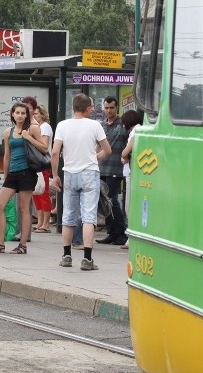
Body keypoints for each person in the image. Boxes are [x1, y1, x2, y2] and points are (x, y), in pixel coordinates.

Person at [51, 93, 111, 271]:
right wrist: (95, 157)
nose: (93, 109)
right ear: (87, 108)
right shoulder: (95, 125)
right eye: (92, 107)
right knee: (88, 216)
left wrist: (55, 175)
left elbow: (55, 153)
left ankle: (66, 256)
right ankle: (87, 258)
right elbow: (107, 150)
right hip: (89, 173)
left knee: (68, 216)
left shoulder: (62, 125)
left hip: (69, 173)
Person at [0, 101, 46, 255]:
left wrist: (29, 137)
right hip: (13, 172)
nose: (20, 116)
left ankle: (22, 245)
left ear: (27, 115)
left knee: (24, 208)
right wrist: (6, 175)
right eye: (17, 113)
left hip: (27, 172)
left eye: (23, 113)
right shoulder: (8, 132)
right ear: (12, 114)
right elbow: (7, 155)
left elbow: (44, 147)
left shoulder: (33, 128)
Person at [96, 97, 129, 246]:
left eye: (112, 108)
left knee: (112, 200)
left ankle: (121, 232)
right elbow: (97, 145)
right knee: (104, 201)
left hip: (116, 168)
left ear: (117, 108)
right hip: (102, 167)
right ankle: (111, 232)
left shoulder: (123, 124)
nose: (109, 110)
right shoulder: (102, 125)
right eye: (107, 108)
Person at [119, 109, 144, 250]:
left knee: (129, 206)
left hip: (132, 173)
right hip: (131, 171)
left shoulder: (136, 131)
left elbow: (125, 151)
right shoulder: (140, 130)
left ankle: (131, 237)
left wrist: (124, 155)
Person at [31, 104, 54, 233]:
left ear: (42, 115)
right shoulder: (37, 127)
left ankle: (46, 223)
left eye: (36, 114)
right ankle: (40, 221)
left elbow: (44, 145)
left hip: (43, 163)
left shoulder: (45, 127)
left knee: (43, 193)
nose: (34, 116)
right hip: (36, 163)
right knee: (37, 192)